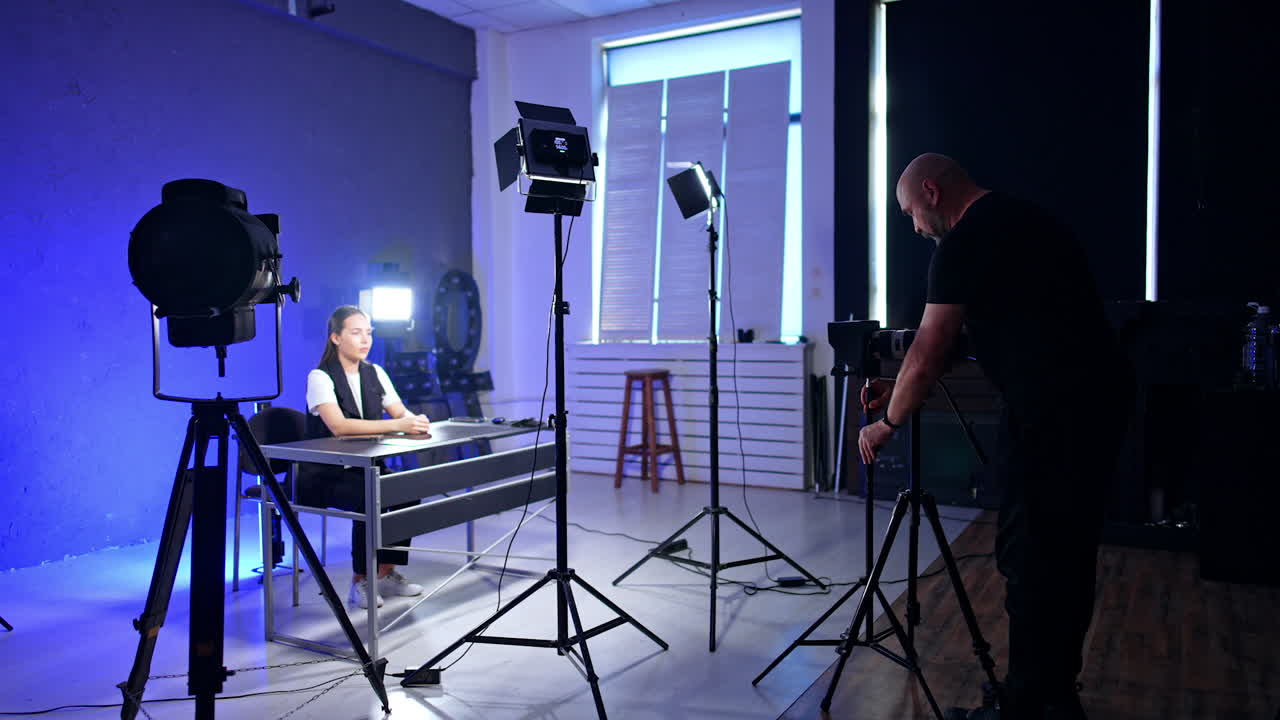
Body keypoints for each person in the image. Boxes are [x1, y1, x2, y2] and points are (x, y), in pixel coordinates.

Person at [858, 154, 1133, 720]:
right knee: (1062, 553)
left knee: (1033, 556)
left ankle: (1032, 705)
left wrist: (888, 423)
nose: (913, 227)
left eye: (910, 212)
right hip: (1091, 403)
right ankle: (1050, 692)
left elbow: (931, 347)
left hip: (1054, 412)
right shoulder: (1027, 220)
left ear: (932, 191)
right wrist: (898, 385)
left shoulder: (962, 243)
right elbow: (993, 327)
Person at [298, 305, 432, 609]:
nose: (365, 339)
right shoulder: (319, 377)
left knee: (408, 489)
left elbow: (401, 413)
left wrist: (416, 422)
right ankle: (361, 581)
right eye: (356, 332)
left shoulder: (376, 373)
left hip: (367, 468)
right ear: (335, 337)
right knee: (371, 496)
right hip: (325, 477)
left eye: (368, 333)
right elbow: (340, 427)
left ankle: (385, 574)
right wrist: (398, 425)